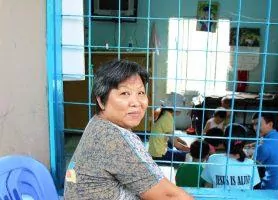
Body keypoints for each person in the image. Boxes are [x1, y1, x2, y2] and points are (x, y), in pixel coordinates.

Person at [64, 60, 193, 200]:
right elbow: (171, 196)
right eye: (125, 93)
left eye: (141, 92)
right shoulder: (112, 138)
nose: (136, 102)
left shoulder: (98, 123)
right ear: (101, 100)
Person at [201, 123, 260, 189]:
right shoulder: (251, 164)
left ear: (224, 140)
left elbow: (207, 186)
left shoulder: (213, 159)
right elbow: (253, 189)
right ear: (244, 143)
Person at [148, 93, 190, 164]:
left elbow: (171, 135)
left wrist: (182, 141)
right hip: (158, 155)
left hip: (154, 151)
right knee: (187, 156)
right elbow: (175, 144)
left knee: (172, 144)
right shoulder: (168, 118)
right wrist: (189, 150)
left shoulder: (164, 113)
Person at [252, 112, 278, 190]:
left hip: (270, 189)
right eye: (254, 124)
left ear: (270, 124)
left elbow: (251, 166)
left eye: (258, 124)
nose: (255, 128)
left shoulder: (263, 146)